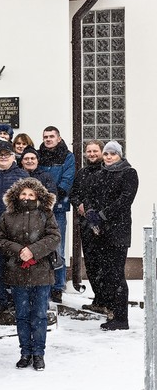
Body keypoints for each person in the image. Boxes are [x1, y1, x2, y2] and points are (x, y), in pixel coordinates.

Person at [0, 178, 61, 371]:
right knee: (22, 315)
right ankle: (25, 352)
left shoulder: (46, 213)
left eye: (31, 194)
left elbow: (54, 237)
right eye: (23, 194)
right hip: (17, 272)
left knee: (39, 315)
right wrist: (18, 250)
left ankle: (38, 353)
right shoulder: (8, 215)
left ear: (38, 195)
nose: (27, 197)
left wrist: (33, 250)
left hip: (41, 272)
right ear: (17, 195)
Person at [82, 141, 138, 330]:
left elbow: (125, 200)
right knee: (105, 274)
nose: (108, 157)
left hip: (118, 232)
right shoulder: (100, 174)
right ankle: (112, 311)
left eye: (113, 154)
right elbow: (89, 195)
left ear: (120, 155)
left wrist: (103, 214)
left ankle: (122, 318)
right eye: (106, 154)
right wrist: (90, 212)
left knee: (116, 275)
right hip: (101, 233)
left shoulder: (129, 173)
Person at [0, 141, 29, 311]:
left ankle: (19, 301)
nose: (3, 157)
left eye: (7, 154)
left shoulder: (23, 176)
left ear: (13, 156)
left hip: (16, 229)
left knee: (17, 267)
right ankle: (1, 299)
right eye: (0, 155)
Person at [37, 126, 75, 303]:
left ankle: (58, 286)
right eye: (45, 136)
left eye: (52, 136)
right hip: (38, 208)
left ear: (59, 138)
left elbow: (67, 179)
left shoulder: (67, 156)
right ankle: (44, 283)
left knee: (57, 247)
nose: (48, 139)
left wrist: (53, 197)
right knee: (40, 246)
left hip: (58, 207)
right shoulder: (39, 154)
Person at [69, 140, 106, 313]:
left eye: (95, 151)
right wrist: (79, 204)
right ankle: (98, 299)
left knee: (104, 264)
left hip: (103, 224)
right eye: (88, 151)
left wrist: (93, 209)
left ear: (102, 152)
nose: (91, 154)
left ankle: (109, 301)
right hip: (85, 225)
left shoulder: (107, 171)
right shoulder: (82, 173)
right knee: (91, 264)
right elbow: (74, 193)